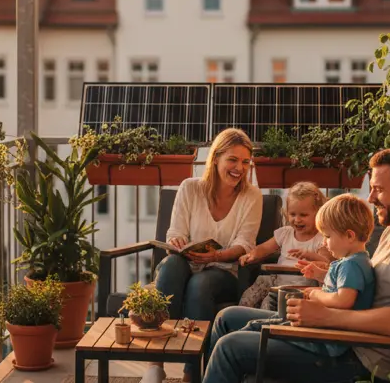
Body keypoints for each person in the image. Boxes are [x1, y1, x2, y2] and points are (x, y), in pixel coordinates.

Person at [202, 147, 390, 383]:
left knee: (230, 348)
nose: (370, 197)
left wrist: (326, 315)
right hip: (341, 336)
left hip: (357, 356)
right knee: (227, 318)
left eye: (378, 189)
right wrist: (325, 281)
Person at [142, 127, 263, 383]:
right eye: (233, 160)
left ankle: (192, 373)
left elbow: (244, 244)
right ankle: (155, 365)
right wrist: (177, 241)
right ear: (215, 158)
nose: (239, 168)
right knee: (170, 265)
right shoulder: (190, 188)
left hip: (223, 271)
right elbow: (175, 232)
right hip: (186, 264)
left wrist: (216, 256)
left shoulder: (252, 196)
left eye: (245, 162)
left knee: (201, 283)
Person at [244, 193, 376, 359]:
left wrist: (315, 294)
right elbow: (340, 287)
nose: (324, 242)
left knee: (256, 327)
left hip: (326, 340)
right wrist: (320, 275)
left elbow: (343, 300)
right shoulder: (357, 261)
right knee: (259, 325)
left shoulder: (351, 265)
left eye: (328, 236)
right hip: (324, 332)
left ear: (350, 236)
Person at [238, 181, 331, 309]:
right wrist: (251, 255)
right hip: (277, 282)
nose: (297, 219)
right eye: (292, 214)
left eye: (303, 215)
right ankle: (241, 310)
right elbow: (264, 248)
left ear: (319, 213)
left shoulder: (321, 239)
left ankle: (263, 318)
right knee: (258, 284)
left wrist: (309, 255)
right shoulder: (285, 233)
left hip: (302, 287)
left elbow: (326, 263)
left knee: (267, 304)